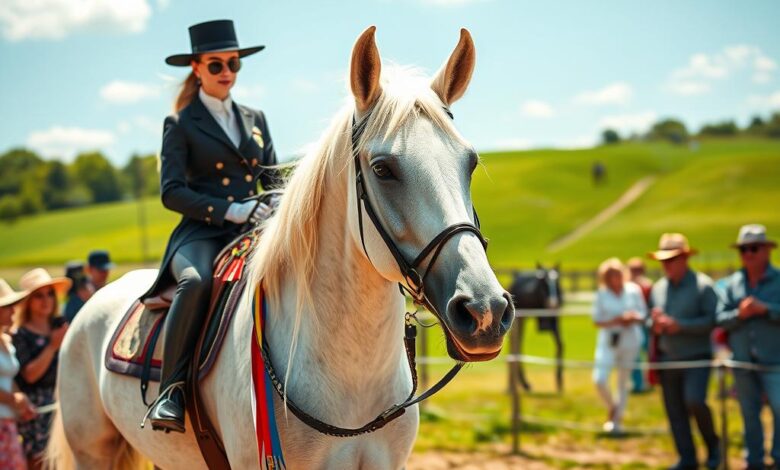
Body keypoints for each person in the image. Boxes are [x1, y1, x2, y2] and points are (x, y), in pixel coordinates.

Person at [140, 19, 279, 433]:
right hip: (202, 232)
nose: (227, 74)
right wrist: (231, 210)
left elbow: (271, 179)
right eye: (216, 65)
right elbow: (172, 192)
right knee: (197, 282)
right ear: (197, 68)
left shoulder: (256, 117)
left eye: (233, 64)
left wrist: (275, 203)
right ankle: (172, 392)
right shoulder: (181, 123)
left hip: (253, 232)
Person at [647, 233, 720, 470]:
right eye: (663, 260)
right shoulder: (658, 289)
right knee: (675, 412)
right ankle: (687, 458)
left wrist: (681, 326)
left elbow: (712, 321)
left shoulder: (703, 286)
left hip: (696, 356)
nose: (666, 265)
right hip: (668, 359)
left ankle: (713, 447)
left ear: (685, 259)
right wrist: (655, 324)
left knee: (695, 401)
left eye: (671, 259)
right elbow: (649, 322)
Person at [717, 224, 780, 470]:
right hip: (742, 359)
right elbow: (720, 318)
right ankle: (753, 460)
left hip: (775, 359)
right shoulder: (731, 284)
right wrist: (740, 314)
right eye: (744, 249)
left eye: (754, 248)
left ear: (766, 251)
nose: (748, 254)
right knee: (749, 413)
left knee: (779, 407)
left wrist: (766, 309)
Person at [12, 269, 70, 470]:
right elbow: (30, 375)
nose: (46, 300)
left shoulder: (60, 326)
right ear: (28, 302)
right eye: (39, 296)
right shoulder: (20, 335)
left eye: (50, 294)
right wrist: (53, 346)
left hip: (62, 402)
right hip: (36, 408)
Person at [592, 257, 647, 434]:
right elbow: (596, 320)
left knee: (623, 381)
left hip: (630, 339)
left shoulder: (633, 290)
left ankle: (616, 422)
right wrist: (615, 320)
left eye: (616, 274)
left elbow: (643, 313)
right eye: (610, 276)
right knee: (600, 379)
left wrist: (632, 317)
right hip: (609, 340)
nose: (614, 279)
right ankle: (613, 407)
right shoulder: (601, 293)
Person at [0, 279, 36, 470]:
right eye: (7, 306)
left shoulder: (6, 341)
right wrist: (15, 399)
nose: (14, 310)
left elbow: (6, 379)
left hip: (7, 422)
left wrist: (21, 399)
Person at [627, 257, 653, 393]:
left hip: (646, 325)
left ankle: (651, 380)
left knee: (650, 353)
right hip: (632, 326)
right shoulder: (627, 287)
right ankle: (638, 384)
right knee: (635, 356)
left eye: (638, 269)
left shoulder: (648, 286)